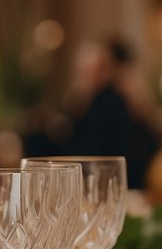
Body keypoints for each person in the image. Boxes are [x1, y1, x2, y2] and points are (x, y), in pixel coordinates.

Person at [64, 37, 154, 188]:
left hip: (108, 183)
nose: (87, 76)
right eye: (84, 71)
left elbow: (94, 152)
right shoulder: (87, 102)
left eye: (95, 70)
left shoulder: (110, 103)